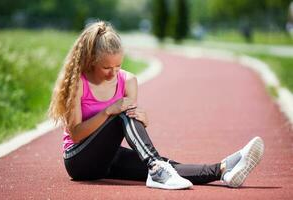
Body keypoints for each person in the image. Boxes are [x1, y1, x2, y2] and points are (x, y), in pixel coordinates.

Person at [48, 20, 265, 190]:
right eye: (106, 67)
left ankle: (223, 169)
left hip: (108, 156)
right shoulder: (78, 83)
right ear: (91, 60)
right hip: (79, 161)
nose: (113, 73)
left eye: (118, 65)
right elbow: (75, 134)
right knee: (122, 115)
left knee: (166, 163)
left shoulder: (128, 81)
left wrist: (143, 119)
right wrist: (108, 111)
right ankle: (155, 168)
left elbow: (130, 125)